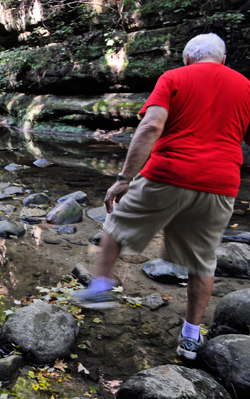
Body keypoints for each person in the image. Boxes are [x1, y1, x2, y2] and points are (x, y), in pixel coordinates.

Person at [74, 33, 250, 360]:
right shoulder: (246, 86)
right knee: (203, 261)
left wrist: (124, 178)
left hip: (168, 173)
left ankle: (100, 288)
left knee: (115, 223)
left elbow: (152, 126)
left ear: (186, 58)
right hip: (221, 182)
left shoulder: (174, 77)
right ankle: (190, 338)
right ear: (223, 60)